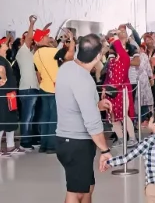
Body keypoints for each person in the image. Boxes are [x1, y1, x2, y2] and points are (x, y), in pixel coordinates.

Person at [56, 34, 115, 203]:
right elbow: (92, 123)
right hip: (76, 142)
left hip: (68, 140)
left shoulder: (67, 68)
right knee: (77, 193)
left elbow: (74, 104)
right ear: (98, 56)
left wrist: (96, 105)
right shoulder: (83, 79)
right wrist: (105, 150)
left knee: (88, 188)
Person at [102, 110, 155, 203]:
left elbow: (128, 157)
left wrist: (110, 162)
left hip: (153, 187)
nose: (148, 120)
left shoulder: (148, 142)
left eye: (151, 119)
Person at [0, 40, 20, 157]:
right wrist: (5, 78)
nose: (6, 43)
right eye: (3, 43)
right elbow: (0, 69)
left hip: (8, 94)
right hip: (2, 95)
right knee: (1, 119)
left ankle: (10, 146)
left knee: (10, 119)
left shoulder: (4, 59)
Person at [106, 29, 138, 145]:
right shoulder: (112, 61)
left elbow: (118, 46)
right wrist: (105, 88)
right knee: (113, 116)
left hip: (121, 91)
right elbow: (108, 76)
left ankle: (132, 138)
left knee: (124, 115)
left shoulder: (124, 60)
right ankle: (120, 138)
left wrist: (116, 36)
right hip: (111, 91)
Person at [33, 26, 62, 153]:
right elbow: (67, 56)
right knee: (54, 117)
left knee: (45, 116)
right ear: (41, 39)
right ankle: (51, 145)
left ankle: (44, 144)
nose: (48, 37)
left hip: (44, 86)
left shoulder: (35, 54)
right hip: (54, 88)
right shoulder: (52, 51)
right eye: (45, 36)